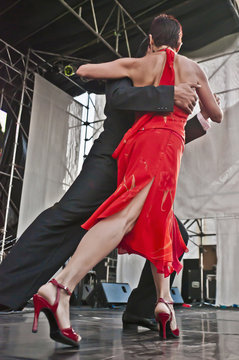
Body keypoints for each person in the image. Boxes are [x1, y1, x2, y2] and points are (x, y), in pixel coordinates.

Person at [31, 14, 222, 347]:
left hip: (140, 144)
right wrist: (194, 109)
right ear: (180, 43)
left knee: (164, 224)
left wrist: (141, 77)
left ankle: (162, 301)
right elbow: (215, 114)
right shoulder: (193, 69)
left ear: (151, 40)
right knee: (124, 216)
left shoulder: (140, 65)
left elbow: (84, 71)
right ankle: (59, 286)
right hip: (168, 147)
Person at [0, 49, 200, 314]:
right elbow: (118, 98)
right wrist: (169, 94)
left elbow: (167, 137)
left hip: (141, 172)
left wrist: (202, 122)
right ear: (151, 47)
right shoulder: (130, 67)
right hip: (109, 164)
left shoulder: (169, 81)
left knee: (176, 236)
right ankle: (5, 290)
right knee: (67, 216)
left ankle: (142, 313)